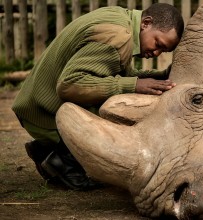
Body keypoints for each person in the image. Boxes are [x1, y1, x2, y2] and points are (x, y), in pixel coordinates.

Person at [12, 3, 185, 191]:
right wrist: (133, 86)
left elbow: (113, 73)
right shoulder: (118, 38)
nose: (156, 53)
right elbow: (69, 85)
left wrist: (159, 77)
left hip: (34, 103)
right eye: (158, 44)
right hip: (42, 112)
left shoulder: (121, 19)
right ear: (146, 23)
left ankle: (46, 150)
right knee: (119, 107)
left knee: (119, 90)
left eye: (163, 51)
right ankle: (61, 157)